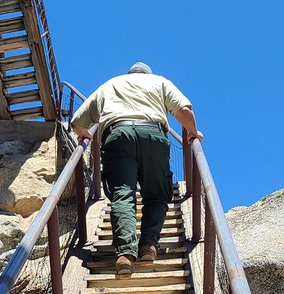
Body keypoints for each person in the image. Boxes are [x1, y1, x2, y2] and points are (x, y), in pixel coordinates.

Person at [70, 62, 202, 276]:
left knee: (123, 194)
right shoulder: (160, 81)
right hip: (153, 134)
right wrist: (193, 132)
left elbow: (77, 122)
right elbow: (184, 110)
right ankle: (148, 245)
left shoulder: (110, 85)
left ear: (129, 74)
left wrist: (85, 134)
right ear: (146, 74)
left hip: (118, 135)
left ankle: (125, 255)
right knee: (157, 194)